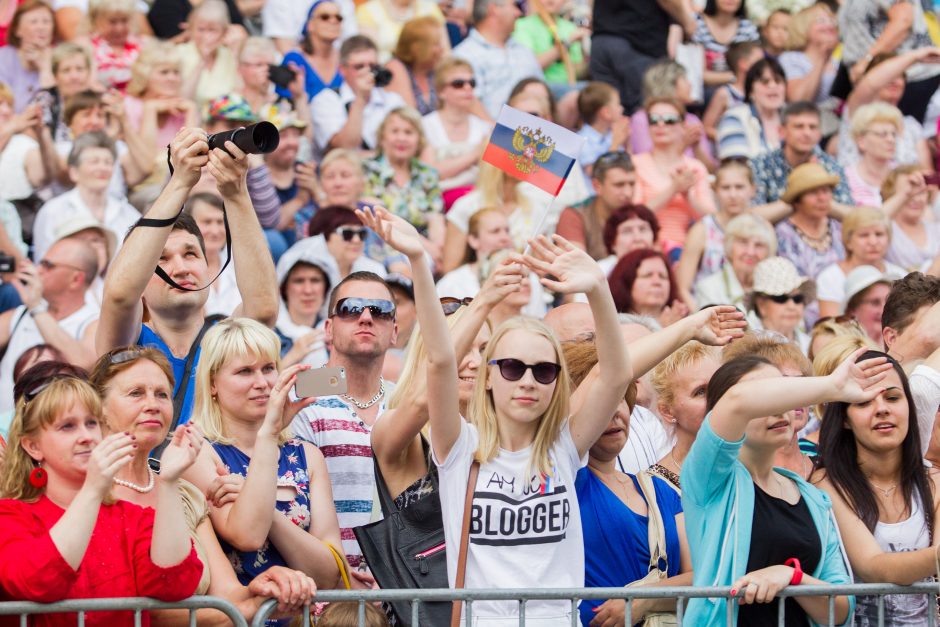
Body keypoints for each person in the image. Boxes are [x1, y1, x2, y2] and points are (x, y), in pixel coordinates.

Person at [408, 192, 633, 623]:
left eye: (544, 371)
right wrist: (421, 260)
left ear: (557, 384)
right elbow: (439, 362)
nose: (528, 380)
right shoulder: (460, 447)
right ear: (488, 376)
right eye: (512, 367)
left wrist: (598, 288)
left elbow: (615, 375)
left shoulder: (565, 448)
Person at [89, 346, 318, 624]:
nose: (153, 404)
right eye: (136, 393)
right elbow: (143, 611)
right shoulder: (84, 490)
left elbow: (227, 595)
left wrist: (265, 589)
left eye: (162, 394)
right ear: (98, 407)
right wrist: (246, 609)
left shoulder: (185, 494)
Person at [95, 127, 278, 427]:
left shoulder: (224, 339)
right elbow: (118, 294)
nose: (180, 268)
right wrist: (179, 181)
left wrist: (235, 192)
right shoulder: (129, 344)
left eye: (191, 254)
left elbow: (264, 309)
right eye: (161, 259)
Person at [683, 351, 875, 625]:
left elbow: (840, 610)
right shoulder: (710, 478)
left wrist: (792, 577)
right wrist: (832, 386)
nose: (778, 408)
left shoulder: (813, 498)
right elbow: (736, 402)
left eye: (784, 394)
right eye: (766, 396)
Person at [0, 375, 204, 619]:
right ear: (33, 446)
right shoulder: (11, 517)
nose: (86, 436)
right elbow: (40, 581)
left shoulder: (131, 517)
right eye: (68, 426)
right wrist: (93, 489)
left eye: (92, 423)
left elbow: (173, 586)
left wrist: (169, 481)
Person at [183, 318, 344, 598]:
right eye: (245, 371)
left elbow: (330, 575)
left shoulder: (307, 455)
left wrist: (261, 505)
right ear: (212, 384)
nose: (262, 382)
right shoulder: (196, 452)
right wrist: (268, 435)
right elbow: (247, 535)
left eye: (269, 368)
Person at [569, 341, 692, 627]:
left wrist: (644, 600)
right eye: (598, 404)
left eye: (620, 399)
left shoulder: (660, 489)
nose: (613, 414)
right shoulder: (566, 482)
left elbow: (700, 576)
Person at [814, 350, 940, 626]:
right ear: (844, 418)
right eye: (863, 401)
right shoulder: (826, 484)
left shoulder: (934, 482)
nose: (882, 408)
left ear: (909, 406)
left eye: (893, 397)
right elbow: (872, 567)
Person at [289, 268, 398, 572]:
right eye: (350, 309)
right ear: (328, 328)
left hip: (398, 594)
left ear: (395, 331)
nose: (365, 317)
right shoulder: (300, 397)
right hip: (325, 592)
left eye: (380, 311)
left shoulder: (403, 402)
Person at [0, 239, 100, 413]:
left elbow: (83, 364)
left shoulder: (94, 321)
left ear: (76, 279)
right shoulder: (22, 312)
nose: (38, 270)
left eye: (48, 265)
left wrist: (36, 308)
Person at [32, 131, 140, 263]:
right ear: (74, 172)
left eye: (108, 162)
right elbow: (43, 265)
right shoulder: (52, 212)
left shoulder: (129, 214)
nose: (103, 168)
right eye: (94, 162)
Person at [722, 333, 817, 475]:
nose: (796, 395)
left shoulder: (827, 468)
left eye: (800, 383)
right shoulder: (730, 475)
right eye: (781, 385)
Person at [632, 97, 716, 255]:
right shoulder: (635, 163)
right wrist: (673, 189)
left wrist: (687, 196)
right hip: (643, 247)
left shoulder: (695, 167)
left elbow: (711, 219)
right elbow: (633, 215)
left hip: (686, 250)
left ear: (684, 126)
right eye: (654, 120)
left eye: (669, 120)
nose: (661, 125)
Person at [363, 107, 443, 266]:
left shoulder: (427, 174)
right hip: (380, 244)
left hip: (421, 250)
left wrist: (437, 248)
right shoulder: (368, 171)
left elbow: (436, 218)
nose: (402, 138)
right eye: (395, 131)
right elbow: (379, 219)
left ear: (418, 140)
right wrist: (424, 246)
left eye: (408, 132)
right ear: (382, 138)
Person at [835, 0, 939, 123]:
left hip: (908, 76)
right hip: (873, 77)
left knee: (892, 132)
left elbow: (903, 21)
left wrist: (866, 61)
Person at [589, 0, 695, 115]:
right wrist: (687, 21)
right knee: (646, 112)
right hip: (638, 43)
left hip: (601, 39)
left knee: (606, 113)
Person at [437, 208, 547, 318]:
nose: (505, 238)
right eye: (495, 231)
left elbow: (537, 319)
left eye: (507, 231)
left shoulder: (527, 277)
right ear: (473, 240)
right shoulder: (452, 283)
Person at [837, 49, 935, 171]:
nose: (895, 81)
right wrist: (915, 56)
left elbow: (926, 173)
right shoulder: (858, 111)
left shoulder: (912, 126)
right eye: (890, 76)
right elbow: (870, 84)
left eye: (900, 76)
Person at [749, 101, 853, 214]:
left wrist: (817, 183)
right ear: (782, 132)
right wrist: (799, 196)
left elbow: (850, 214)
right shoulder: (762, 164)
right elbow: (752, 215)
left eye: (812, 127)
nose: (807, 133)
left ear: (819, 134)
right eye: (799, 127)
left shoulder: (830, 165)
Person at [311, 35, 406, 158]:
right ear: (342, 69)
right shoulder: (325, 100)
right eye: (359, 67)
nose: (367, 72)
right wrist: (360, 99)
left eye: (373, 66)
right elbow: (344, 147)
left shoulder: (392, 100)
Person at [676, 158, 755, 304]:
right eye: (726, 188)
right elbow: (683, 288)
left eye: (739, 187)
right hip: (708, 311)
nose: (733, 194)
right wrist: (700, 317)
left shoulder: (761, 229)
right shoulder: (702, 230)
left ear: (752, 190)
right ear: (715, 190)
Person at [650, 341, 723, 491]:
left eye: (720, 385)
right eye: (700, 392)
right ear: (667, 411)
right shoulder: (655, 486)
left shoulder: (751, 461)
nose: (716, 397)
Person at [450, 0, 542, 118]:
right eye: (515, 6)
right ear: (494, 9)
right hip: (489, 133)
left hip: (535, 131)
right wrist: (498, 132)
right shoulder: (463, 55)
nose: (519, 13)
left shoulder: (524, 51)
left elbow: (544, 96)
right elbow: (468, 103)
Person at [420, 57, 490, 207]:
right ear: (441, 92)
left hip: (479, 202)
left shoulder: (483, 128)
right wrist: (475, 154)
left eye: (472, 83)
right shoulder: (426, 125)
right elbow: (431, 174)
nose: (467, 88)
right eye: (458, 84)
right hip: (437, 202)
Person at [630, 60, 716, 172]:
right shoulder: (643, 119)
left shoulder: (692, 120)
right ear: (669, 84)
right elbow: (648, 165)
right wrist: (683, 145)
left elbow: (709, 170)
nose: (690, 84)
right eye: (685, 79)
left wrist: (696, 147)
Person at [817, 207, 903, 318]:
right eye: (864, 235)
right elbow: (832, 327)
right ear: (848, 242)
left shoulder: (900, 275)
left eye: (879, 234)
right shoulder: (830, 277)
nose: (873, 242)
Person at [556, 151, 635, 261]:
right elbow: (575, 265)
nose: (628, 193)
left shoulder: (637, 216)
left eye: (632, 184)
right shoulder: (575, 215)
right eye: (619, 185)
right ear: (596, 186)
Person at [775, 163, 846, 285]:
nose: (822, 198)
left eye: (825, 191)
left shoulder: (839, 228)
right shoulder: (783, 233)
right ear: (797, 201)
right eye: (813, 192)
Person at [777, 3, 839, 139]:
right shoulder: (791, 59)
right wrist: (821, 58)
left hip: (836, 128)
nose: (829, 25)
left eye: (831, 20)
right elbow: (799, 100)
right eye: (821, 21)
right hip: (805, 131)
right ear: (804, 27)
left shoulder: (838, 62)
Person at [693, 213, 776, 311]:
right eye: (743, 242)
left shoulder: (775, 288)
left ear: (768, 252)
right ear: (729, 246)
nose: (750, 252)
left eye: (759, 245)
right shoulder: (709, 288)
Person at [273, 246, 332, 368]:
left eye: (315, 280)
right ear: (284, 289)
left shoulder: (336, 334)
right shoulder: (268, 336)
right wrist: (293, 356)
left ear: (326, 289)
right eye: (299, 281)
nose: (308, 290)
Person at [717, 57, 787, 160]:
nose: (772, 86)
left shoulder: (795, 118)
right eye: (765, 81)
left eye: (778, 80)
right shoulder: (734, 117)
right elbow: (735, 166)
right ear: (750, 91)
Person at [183, 193, 239, 318]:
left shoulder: (241, 265)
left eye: (220, 222)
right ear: (188, 225)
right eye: (207, 222)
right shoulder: (179, 270)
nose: (215, 231)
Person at [177, 0, 239, 109]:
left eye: (213, 30)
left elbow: (238, 97)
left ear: (224, 32)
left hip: (222, 121)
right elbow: (182, 99)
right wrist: (202, 61)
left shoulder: (228, 55)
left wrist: (235, 53)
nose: (206, 36)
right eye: (201, 29)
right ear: (191, 29)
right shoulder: (178, 53)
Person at [746, 256, 815, 353]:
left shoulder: (811, 345)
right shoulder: (748, 346)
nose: (792, 306)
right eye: (781, 298)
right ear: (761, 304)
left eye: (797, 299)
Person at [279, 0, 344, 102]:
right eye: (325, 17)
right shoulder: (294, 60)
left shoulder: (346, 59)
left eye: (339, 18)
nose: (333, 21)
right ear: (310, 24)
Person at [28, 42, 92, 142]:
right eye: (66, 70)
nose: (74, 76)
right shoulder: (44, 99)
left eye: (80, 69)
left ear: (88, 72)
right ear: (55, 76)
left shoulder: (98, 102)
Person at [691, 0, 760, 92]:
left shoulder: (748, 28)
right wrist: (736, 77)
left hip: (740, 93)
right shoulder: (696, 23)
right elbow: (698, 74)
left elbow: (757, 69)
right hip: (702, 93)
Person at [702, 40, 764, 142]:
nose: (765, 66)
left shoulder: (761, 93)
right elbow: (706, 127)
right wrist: (730, 137)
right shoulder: (725, 94)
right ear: (743, 64)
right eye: (759, 61)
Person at [608, 248, 687, 327]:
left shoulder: (682, 321)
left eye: (662, 276)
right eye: (647, 275)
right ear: (626, 282)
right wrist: (662, 328)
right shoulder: (614, 323)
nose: (657, 282)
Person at [843, 103, 904, 206]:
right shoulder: (846, 178)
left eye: (893, 134)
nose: (891, 140)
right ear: (861, 141)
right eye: (882, 134)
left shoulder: (903, 176)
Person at [882, 166, 940, 273]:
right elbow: (870, 221)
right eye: (910, 192)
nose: (916, 199)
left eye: (921, 192)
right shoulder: (885, 230)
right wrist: (904, 195)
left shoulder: (936, 228)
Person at [385, 16, 446, 115]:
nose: (441, 49)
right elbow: (409, 115)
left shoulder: (435, 71)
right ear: (417, 48)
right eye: (436, 44)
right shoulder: (396, 67)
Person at [0, 0, 54, 113]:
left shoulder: (61, 58)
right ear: (17, 30)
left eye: (46, 22)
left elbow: (55, 110)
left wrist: (45, 69)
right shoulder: (4, 58)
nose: (41, 27)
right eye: (34, 22)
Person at [356, 0, 445, 64]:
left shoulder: (430, 8)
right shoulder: (369, 10)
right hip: (385, 76)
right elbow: (369, 56)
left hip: (426, 74)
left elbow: (445, 53)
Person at [574, 83, 628, 181]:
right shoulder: (582, 140)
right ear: (606, 112)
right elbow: (594, 172)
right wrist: (615, 145)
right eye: (618, 104)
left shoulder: (611, 134)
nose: (622, 108)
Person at [84, 0, 140, 93]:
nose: (119, 28)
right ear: (97, 21)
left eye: (124, 20)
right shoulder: (86, 47)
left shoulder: (143, 45)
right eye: (113, 22)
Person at [597, 204, 660, 275]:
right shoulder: (599, 273)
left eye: (643, 229)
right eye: (627, 231)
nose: (637, 238)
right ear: (613, 243)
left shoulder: (662, 271)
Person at [843, 266, 898, 346]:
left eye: (889, 301)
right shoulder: (844, 350)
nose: (885, 310)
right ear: (852, 311)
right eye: (875, 303)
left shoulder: (903, 344)